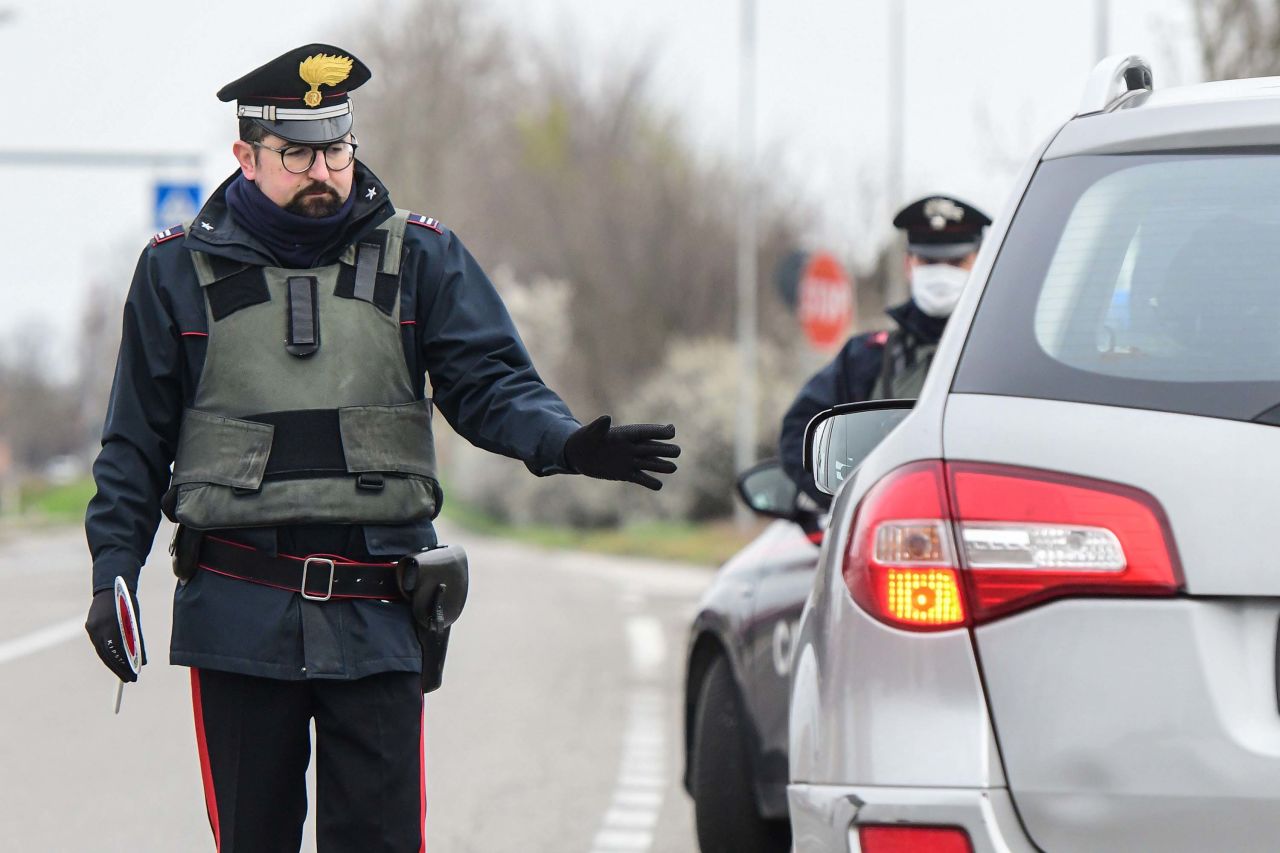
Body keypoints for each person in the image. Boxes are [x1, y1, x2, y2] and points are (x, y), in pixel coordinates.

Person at [82, 44, 680, 852]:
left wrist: (566, 442)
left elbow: (490, 384)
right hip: (237, 614)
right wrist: (113, 569)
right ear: (245, 156)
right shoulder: (174, 273)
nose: (322, 170)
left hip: (378, 612)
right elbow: (135, 445)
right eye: (297, 153)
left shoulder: (420, 256)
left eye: (336, 147)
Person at [778, 195, 990, 503]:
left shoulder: (1001, 358)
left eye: (956, 263)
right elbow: (800, 434)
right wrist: (848, 504)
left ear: (980, 263)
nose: (941, 274)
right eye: (929, 262)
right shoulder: (866, 358)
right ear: (909, 265)